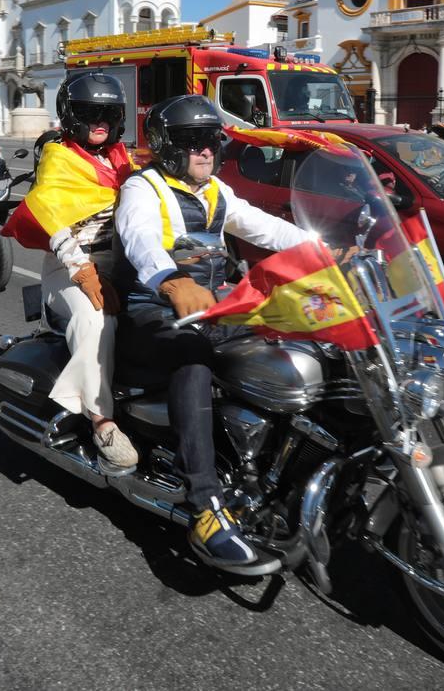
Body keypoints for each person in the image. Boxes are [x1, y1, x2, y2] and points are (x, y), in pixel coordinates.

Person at [114, 95, 314, 568]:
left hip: (214, 306)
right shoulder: (144, 189)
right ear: (167, 146)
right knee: (194, 357)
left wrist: (328, 251)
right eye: (191, 142)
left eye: (210, 140)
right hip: (156, 310)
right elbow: (139, 237)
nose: (204, 151)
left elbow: (267, 229)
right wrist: (169, 279)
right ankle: (203, 503)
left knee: (294, 339)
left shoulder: (216, 192)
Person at [2, 73, 137, 470]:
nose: (100, 121)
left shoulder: (120, 157)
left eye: (108, 113)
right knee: (96, 319)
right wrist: (82, 269)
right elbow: (51, 216)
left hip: (121, 261)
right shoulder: (59, 157)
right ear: (71, 116)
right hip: (70, 267)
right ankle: (102, 421)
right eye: (90, 112)